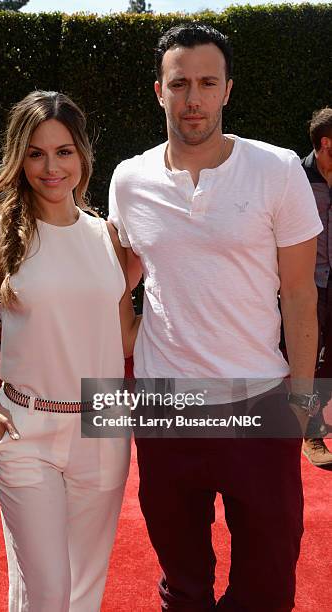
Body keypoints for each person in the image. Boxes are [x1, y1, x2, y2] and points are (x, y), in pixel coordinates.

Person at [109, 24, 323, 612]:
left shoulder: (278, 170)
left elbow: (301, 296)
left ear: (228, 89)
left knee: (269, 573)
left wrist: (305, 399)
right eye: (180, 84)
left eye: (207, 82)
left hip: (257, 397)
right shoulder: (128, 180)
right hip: (164, 407)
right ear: (159, 91)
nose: (193, 98)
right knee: (183, 580)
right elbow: (118, 279)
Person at [0, 90, 140, 612]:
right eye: (35, 153)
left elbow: (123, 337)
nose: (51, 167)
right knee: (49, 593)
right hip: (23, 427)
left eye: (63, 151)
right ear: (18, 158)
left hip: (104, 424)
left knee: (82, 590)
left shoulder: (111, 239)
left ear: (82, 156)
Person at [301, 107, 332, 468]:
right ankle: (312, 433)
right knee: (308, 359)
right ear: (325, 143)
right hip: (306, 284)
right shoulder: (296, 177)